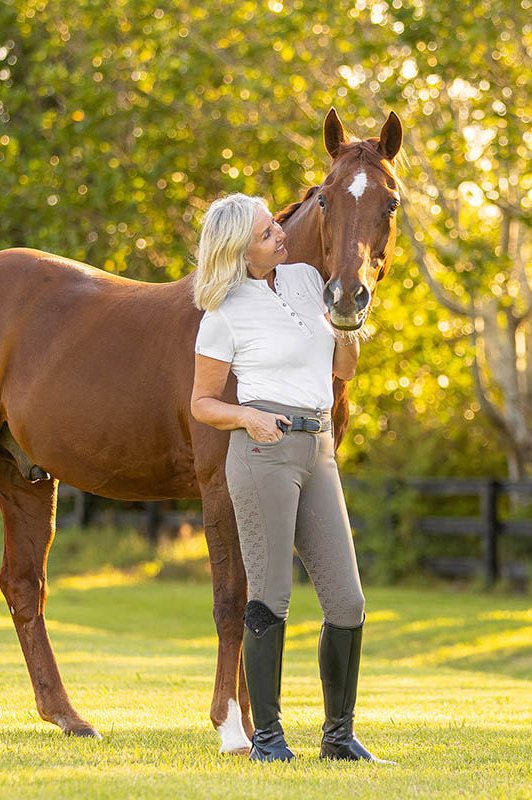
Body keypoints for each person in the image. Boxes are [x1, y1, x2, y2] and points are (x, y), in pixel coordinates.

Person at [189, 192, 391, 764]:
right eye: (266, 232)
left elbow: (340, 368)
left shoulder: (306, 279)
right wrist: (247, 415)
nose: (280, 233)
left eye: (275, 224)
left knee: (347, 601)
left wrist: (347, 331)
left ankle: (338, 737)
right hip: (263, 456)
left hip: (318, 447)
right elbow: (202, 404)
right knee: (270, 597)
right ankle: (270, 740)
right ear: (239, 250)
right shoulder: (222, 312)